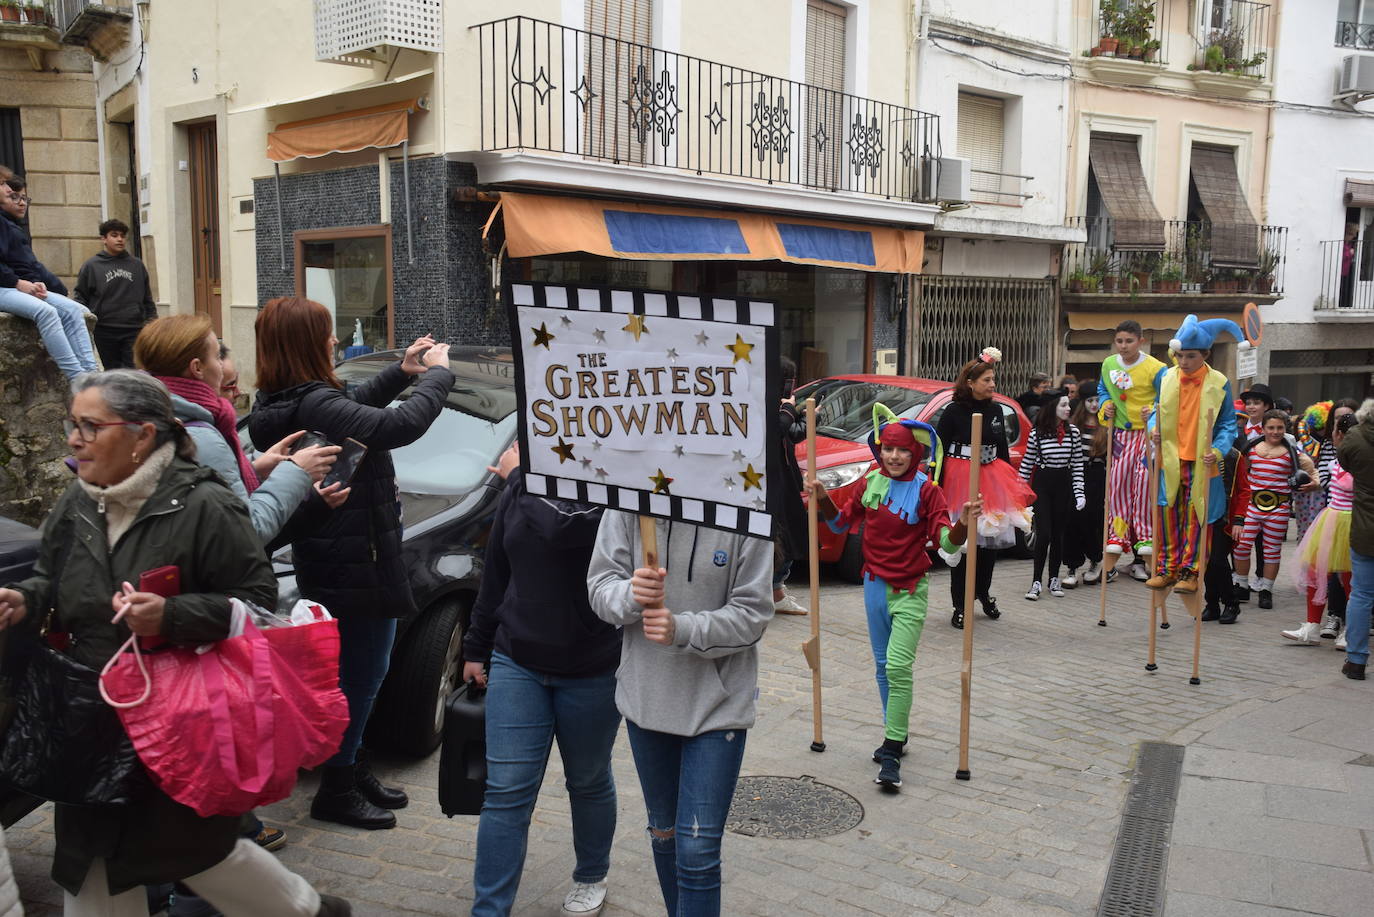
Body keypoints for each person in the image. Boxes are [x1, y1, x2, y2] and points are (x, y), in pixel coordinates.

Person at [0, 369, 350, 916]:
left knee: (196, 854)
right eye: (74, 425)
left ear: (143, 435)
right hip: (92, 714)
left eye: (91, 427)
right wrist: (25, 600)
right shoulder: (79, 499)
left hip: (175, 718)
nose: (74, 439)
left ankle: (305, 911)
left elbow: (256, 603)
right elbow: (49, 576)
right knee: (92, 860)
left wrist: (173, 615)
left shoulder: (205, 505)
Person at [248, 297, 454, 830]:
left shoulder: (287, 397)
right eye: (326, 334)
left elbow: (354, 409)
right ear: (306, 344)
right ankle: (337, 787)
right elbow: (395, 428)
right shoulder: (313, 400)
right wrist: (438, 376)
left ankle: (353, 766)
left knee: (359, 673)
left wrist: (399, 371)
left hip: (342, 548)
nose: (335, 342)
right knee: (362, 676)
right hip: (353, 554)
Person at [460, 444, 621, 917]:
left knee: (588, 780)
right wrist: (475, 646)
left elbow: (563, 528)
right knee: (506, 792)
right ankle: (489, 909)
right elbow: (497, 572)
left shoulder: (615, 487)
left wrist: (516, 479)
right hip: (517, 660)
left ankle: (592, 873)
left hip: (592, 666)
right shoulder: (523, 483)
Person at [587, 513, 772, 917]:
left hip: (717, 708)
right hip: (646, 700)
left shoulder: (747, 507)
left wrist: (683, 629)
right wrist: (631, 594)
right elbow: (600, 589)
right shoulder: (626, 505)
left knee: (698, 848)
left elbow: (753, 614)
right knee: (666, 835)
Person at [807, 410, 975, 790]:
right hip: (873, 586)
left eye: (902, 451)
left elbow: (948, 545)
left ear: (914, 454)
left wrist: (963, 521)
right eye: (889, 450)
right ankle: (895, 731)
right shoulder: (871, 481)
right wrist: (821, 497)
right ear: (880, 452)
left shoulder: (927, 490)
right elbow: (838, 524)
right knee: (883, 667)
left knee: (898, 667)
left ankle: (892, 748)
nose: (894, 457)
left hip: (910, 590)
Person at [135, 313, 340, 545]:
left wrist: (253, 470)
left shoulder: (148, 413)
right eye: (216, 357)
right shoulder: (201, 437)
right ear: (197, 368)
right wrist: (295, 471)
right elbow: (247, 530)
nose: (221, 367)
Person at [936, 347, 1034, 628]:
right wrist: (937, 484)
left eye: (993, 379)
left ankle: (983, 592)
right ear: (970, 382)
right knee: (964, 544)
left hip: (990, 478)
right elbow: (939, 450)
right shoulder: (953, 411)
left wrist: (1010, 485)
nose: (992, 384)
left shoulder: (995, 410)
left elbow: (1001, 447)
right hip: (959, 480)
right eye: (987, 380)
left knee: (990, 542)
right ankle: (960, 604)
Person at [1144, 315, 1240, 595]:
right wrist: (1153, 429)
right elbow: (1155, 411)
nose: (1183, 361)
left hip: (1201, 461)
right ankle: (1167, 568)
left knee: (1197, 518)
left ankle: (1191, 570)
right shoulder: (1166, 377)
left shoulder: (1219, 382)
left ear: (1205, 354)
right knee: (1168, 513)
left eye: (1190, 356)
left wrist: (1218, 449)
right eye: (1179, 355)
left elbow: (1227, 424)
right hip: (1171, 460)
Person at [0, 177, 99, 379]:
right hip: (6, 286)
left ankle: (91, 374)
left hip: (10, 285)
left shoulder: (9, 224)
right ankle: (78, 377)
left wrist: (32, 283)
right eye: (2, 184)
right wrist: (19, 283)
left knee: (73, 310)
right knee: (46, 312)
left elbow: (23, 264)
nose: (8, 188)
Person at [1097, 320, 1167, 582]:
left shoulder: (1157, 368)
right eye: (1119, 341)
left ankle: (1146, 536)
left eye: (1129, 341)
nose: (1124, 346)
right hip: (1122, 434)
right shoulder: (1108, 364)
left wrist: (1156, 409)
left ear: (1140, 341)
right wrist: (1106, 405)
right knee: (1117, 483)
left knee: (1144, 484)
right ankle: (1117, 533)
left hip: (1147, 434)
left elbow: (1168, 396)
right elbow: (1103, 389)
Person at [1231, 409, 1319, 609]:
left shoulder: (1292, 452)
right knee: (1241, 545)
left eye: (1279, 428)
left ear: (1285, 429)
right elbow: (1239, 474)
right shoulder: (1250, 449)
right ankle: (1241, 585)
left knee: (1271, 551)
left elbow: (1313, 472)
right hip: (1251, 506)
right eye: (1271, 427)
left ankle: (1266, 590)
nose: (1275, 432)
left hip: (1278, 508)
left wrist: (1314, 484)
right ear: (1263, 428)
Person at [1286, 413, 1359, 644]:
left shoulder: (1361, 463)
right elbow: (1327, 484)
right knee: (1315, 572)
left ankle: (1350, 630)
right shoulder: (1333, 461)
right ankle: (1312, 626)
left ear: (1340, 434)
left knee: (1349, 578)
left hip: (1350, 522)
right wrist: (1315, 483)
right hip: (1329, 520)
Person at [1019, 390, 1085, 600]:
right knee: (1044, 533)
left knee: (1058, 534)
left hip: (1063, 483)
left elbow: (1077, 465)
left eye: (1068, 405)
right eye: (1063, 405)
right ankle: (1036, 581)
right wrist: (1018, 491)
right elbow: (1027, 463)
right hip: (1043, 483)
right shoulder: (1036, 432)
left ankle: (1054, 578)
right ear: (1052, 408)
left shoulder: (1073, 432)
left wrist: (1079, 492)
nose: (1068, 409)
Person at [73, 218, 156, 370]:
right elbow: (80, 297)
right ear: (103, 238)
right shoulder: (91, 266)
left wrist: (152, 321)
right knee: (112, 372)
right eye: (114, 235)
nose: (120, 239)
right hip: (104, 329)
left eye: (123, 236)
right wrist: (85, 324)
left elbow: (147, 298)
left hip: (134, 328)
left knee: (134, 371)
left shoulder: (137, 265)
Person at [1336, 398, 1374, 680]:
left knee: (1361, 594)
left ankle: (1357, 660)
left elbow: (1343, 460)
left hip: (1365, 528)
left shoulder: (1356, 435)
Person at [770, 356, 808, 615]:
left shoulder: (783, 405)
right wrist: (787, 411)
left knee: (791, 533)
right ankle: (773, 592)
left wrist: (806, 419)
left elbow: (791, 433)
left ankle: (776, 591)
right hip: (766, 480)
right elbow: (774, 431)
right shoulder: (755, 404)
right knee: (773, 538)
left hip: (786, 478)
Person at [1064, 392, 1109, 587]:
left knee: (1093, 519)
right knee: (1072, 520)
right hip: (1075, 473)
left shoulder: (1107, 426)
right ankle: (1072, 566)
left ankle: (1096, 561)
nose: (1094, 404)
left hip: (1096, 475)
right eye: (1090, 400)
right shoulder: (1074, 425)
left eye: (1097, 400)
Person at [1202, 444, 1247, 625]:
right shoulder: (1196, 450)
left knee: (1217, 560)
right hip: (1202, 515)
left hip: (1225, 517)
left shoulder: (1234, 455)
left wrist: (1239, 520)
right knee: (1206, 561)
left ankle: (1231, 603)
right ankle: (1211, 604)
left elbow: (1244, 490)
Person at [1339, 222, 1358, 309]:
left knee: (1345, 290)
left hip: (1346, 271)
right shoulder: (1343, 244)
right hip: (1341, 272)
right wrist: (1350, 253)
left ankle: (1344, 305)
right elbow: (1341, 256)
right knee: (1341, 290)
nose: (1353, 237)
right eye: (1352, 234)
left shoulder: (1348, 244)